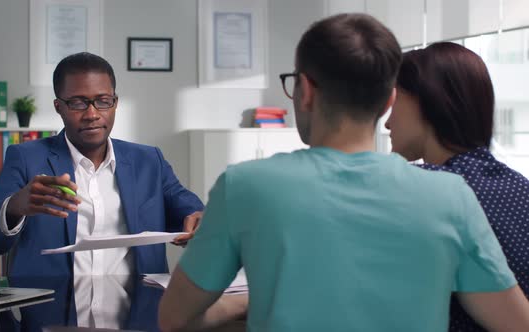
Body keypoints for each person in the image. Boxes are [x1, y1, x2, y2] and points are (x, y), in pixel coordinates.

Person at [158, 14, 529, 332]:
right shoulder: (452, 195)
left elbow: (173, 317)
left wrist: (248, 302)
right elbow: (516, 323)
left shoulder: (243, 186)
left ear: (305, 91)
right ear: (388, 101)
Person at [0, 52, 204, 277]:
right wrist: (14, 208)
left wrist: (199, 218)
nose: (92, 114)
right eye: (78, 103)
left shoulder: (148, 161)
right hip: (51, 309)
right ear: (59, 107)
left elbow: (188, 208)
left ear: (115, 103)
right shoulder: (26, 158)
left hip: (139, 310)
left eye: (102, 102)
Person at [384, 42, 529, 331]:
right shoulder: (520, 187)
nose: (387, 122)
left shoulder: (426, 191)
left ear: (425, 100)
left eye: (395, 99)